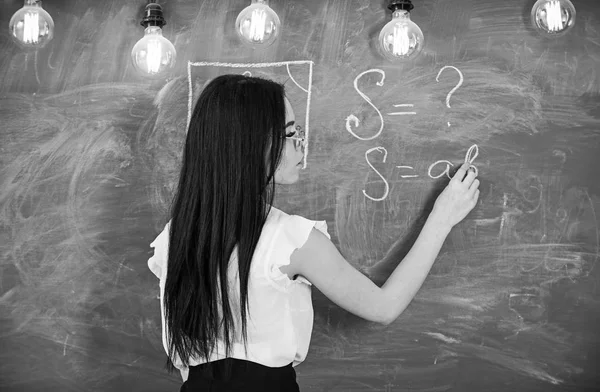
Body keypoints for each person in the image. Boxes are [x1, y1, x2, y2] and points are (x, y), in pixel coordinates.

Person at [147, 74, 480, 391]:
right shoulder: (290, 241)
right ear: (254, 145)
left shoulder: (173, 238)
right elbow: (384, 307)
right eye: (291, 134)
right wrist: (441, 218)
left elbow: (184, 361)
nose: (301, 145)